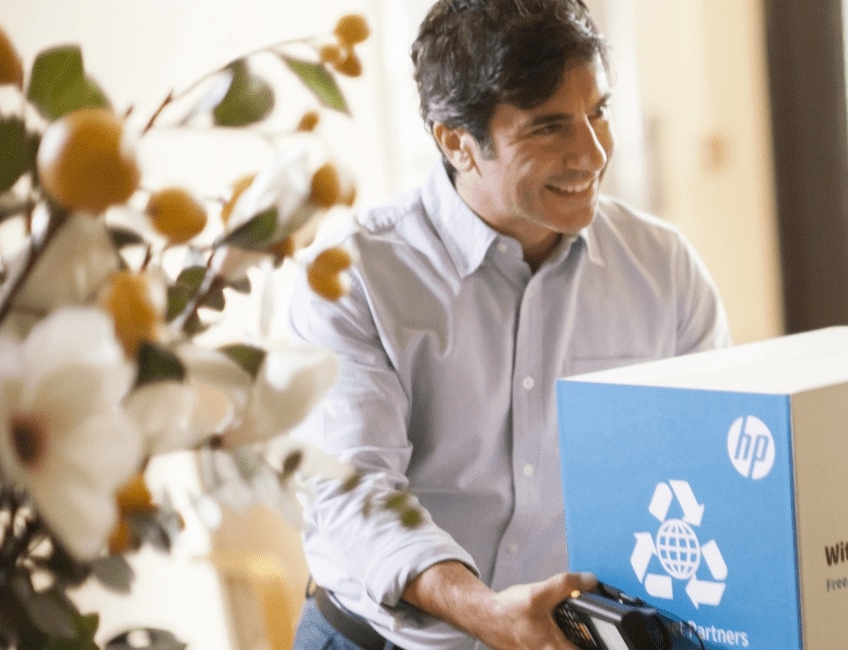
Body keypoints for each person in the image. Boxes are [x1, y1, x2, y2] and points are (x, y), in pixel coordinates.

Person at [286, 1, 730, 648]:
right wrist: (485, 613)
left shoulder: (661, 267)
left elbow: (709, 463)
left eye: (598, 111)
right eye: (550, 128)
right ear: (457, 142)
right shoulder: (350, 279)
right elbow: (357, 496)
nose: (593, 153)